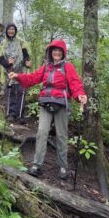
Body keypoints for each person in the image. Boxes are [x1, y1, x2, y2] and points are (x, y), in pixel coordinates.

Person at [9, 39, 87, 179]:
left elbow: (75, 83)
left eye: (59, 50)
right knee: (41, 132)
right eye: (54, 50)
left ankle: (63, 167)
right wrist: (18, 76)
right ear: (50, 52)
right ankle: (36, 165)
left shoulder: (68, 67)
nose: (56, 52)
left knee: (62, 135)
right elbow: (32, 78)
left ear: (63, 53)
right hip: (46, 103)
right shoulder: (46, 67)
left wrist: (80, 95)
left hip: (61, 104)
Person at [0, 23, 31, 124]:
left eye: (13, 29)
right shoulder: (3, 43)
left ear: (15, 31)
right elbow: (0, 58)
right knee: (11, 93)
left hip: (21, 72)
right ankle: (11, 114)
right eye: (9, 29)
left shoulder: (21, 42)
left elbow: (26, 56)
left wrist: (27, 62)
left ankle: (20, 115)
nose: (11, 31)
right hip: (9, 71)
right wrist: (7, 63)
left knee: (21, 92)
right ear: (6, 31)